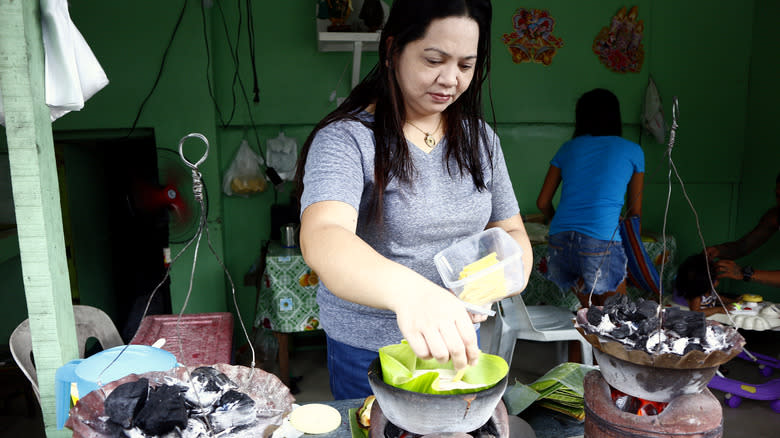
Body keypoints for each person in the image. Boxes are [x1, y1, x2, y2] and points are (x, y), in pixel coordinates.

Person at [294, 0, 533, 400]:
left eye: (465, 65)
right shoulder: (347, 139)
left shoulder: (481, 140)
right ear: (392, 51)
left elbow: (510, 230)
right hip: (371, 351)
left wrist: (500, 280)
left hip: (460, 342)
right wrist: (414, 294)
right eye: (434, 59)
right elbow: (323, 234)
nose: (450, 79)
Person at [536, 88, 645, 308]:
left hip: (560, 242)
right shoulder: (632, 151)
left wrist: (556, 221)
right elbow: (635, 212)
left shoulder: (568, 148)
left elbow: (543, 202)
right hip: (601, 240)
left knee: (585, 317)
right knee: (615, 319)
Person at [705, 172, 780, 288]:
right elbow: (743, 247)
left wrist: (744, 273)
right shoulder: (775, 216)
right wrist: (718, 250)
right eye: (778, 196)